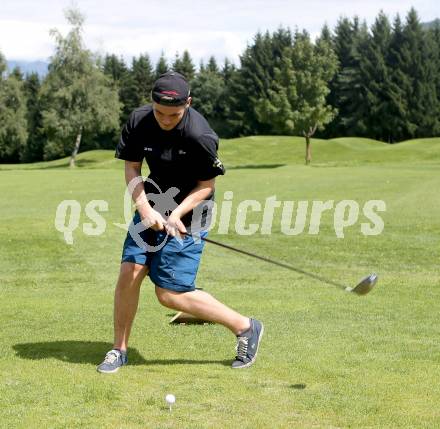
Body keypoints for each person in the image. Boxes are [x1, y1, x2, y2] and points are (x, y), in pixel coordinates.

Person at [97, 71, 263, 373]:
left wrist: (176, 215)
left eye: (173, 114)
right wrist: (144, 208)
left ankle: (246, 327)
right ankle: (118, 350)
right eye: (159, 112)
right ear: (151, 102)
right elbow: (132, 169)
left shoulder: (199, 135)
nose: (165, 119)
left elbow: (207, 186)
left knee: (170, 294)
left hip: (192, 212)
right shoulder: (139, 121)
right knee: (129, 272)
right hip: (152, 202)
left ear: (188, 103)